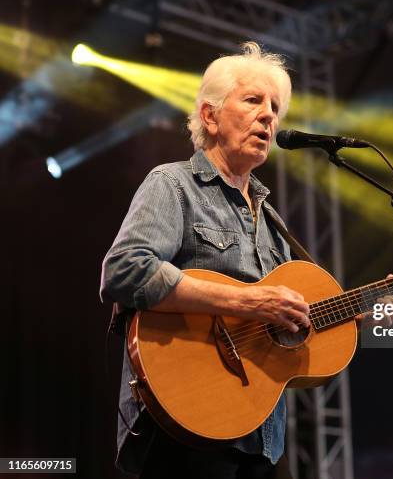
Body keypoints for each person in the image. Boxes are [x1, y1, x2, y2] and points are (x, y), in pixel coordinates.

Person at [100, 42, 309, 478]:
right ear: (210, 116)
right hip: (186, 420)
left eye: (274, 106)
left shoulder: (273, 223)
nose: (269, 115)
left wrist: (356, 318)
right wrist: (247, 303)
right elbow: (124, 271)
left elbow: (282, 335)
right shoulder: (173, 184)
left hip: (261, 435)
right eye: (253, 100)